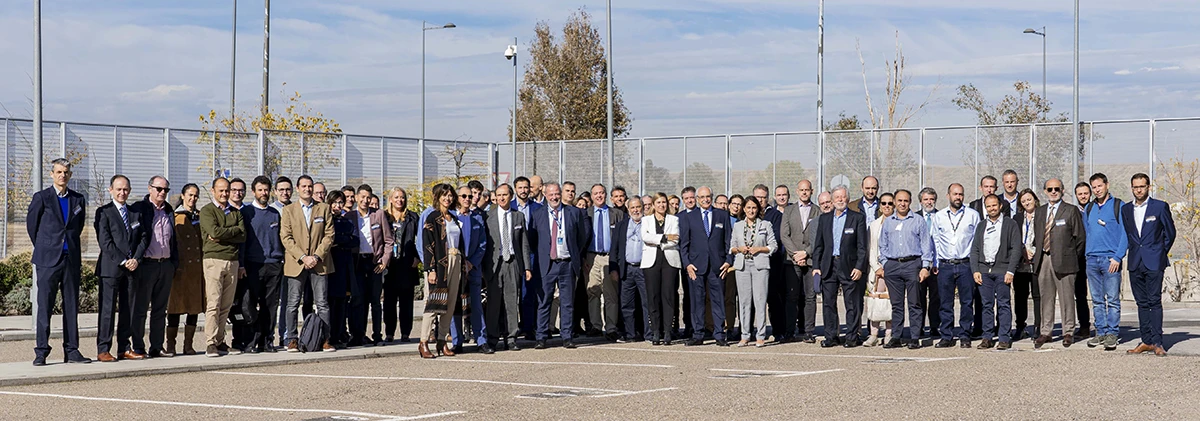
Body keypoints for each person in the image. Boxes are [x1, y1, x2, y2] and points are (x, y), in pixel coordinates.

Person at [28, 159, 92, 366]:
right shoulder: (42, 198)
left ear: (70, 175)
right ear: (52, 174)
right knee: (44, 306)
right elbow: (32, 227)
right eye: (58, 172)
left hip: (70, 259)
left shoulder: (78, 199)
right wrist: (47, 246)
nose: (62, 175)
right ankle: (41, 351)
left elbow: (78, 227)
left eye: (65, 172)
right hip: (48, 260)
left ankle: (72, 350)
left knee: (72, 306)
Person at [94, 175, 149, 362]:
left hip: (132, 269)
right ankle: (103, 349)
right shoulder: (104, 212)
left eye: (125, 189)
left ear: (130, 191)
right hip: (111, 270)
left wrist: (136, 259)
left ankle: (124, 348)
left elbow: (143, 238)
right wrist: (123, 260)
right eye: (118, 189)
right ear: (111, 190)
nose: (122, 192)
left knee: (129, 310)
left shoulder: (135, 213)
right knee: (107, 311)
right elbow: (105, 242)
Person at [280, 175, 335, 353]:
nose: (307, 189)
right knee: (292, 303)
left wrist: (316, 256)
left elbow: (329, 236)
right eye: (303, 186)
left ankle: (325, 339)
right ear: (297, 189)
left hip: (319, 263)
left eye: (310, 186)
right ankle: (292, 339)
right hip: (296, 263)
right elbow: (286, 237)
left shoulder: (324, 208)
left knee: (322, 303)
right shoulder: (289, 210)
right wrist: (303, 257)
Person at [1122, 173, 1175, 356]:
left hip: (1154, 261)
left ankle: (1157, 342)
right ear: (1132, 188)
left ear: (1148, 187)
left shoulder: (1159, 207)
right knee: (1141, 303)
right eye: (1135, 187)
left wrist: (1160, 252)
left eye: (1142, 186)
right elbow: (1130, 234)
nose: (1138, 190)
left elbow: (1170, 233)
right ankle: (1146, 341)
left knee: (1154, 302)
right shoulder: (1126, 209)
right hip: (1135, 261)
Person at [530, 183, 588, 349]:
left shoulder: (573, 212)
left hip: (567, 263)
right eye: (551, 194)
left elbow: (581, 238)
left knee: (567, 302)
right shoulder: (538, 214)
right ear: (545, 195)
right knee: (544, 301)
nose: (554, 197)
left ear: (561, 194)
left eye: (557, 194)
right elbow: (533, 240)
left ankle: (567, 336)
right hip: (547, 264)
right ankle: (541, 337)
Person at [811, 186, 869, 347]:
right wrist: (816, 266)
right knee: (828, 303)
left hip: (849, 266)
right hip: (828, 266)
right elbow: (819, 246)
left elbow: (862, 246)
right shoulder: (825, 219)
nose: (840, 200)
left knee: (851, 303)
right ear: (832, 199)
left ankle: (851, 337)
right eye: (837, 197)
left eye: (843, 197)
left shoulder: (857, 218)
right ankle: (831, 336)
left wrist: (859, 267)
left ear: (848, 199)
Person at [1033, 178, 1086, 349]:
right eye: (1050, 189)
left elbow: (1080, 238)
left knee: (1067, 299)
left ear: (1063, 190)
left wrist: (1071, 257)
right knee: (1046, 298)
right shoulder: (1040, 212)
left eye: (1057, 188)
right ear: (1045, 191)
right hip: (1044, 259)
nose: (1053, 191)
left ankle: (1068, 331)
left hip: (1066, 261)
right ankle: (1046, 332)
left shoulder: (1070, 211)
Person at [234, 175, 285, 354]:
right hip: (252, 265)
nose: (263, 193)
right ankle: (251, 341)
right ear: (254, 191)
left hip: (274, 265)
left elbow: (281, 239)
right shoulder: (246, 213)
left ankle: (267, 341)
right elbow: (242, 242)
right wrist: (241, 264)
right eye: (260, 190)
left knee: (270, 306)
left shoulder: (274, 213)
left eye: (266, 190)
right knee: (249, 305)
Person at [878, 189, 933, 349]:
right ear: (895, 202)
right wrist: (885, 263)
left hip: (912, 264)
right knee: (896, 304)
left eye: (906, 201)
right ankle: (896, 335)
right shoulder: (888, 222)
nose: (902, 204)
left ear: (910, 202)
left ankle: (915, 337)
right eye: (899, 200)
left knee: (914, 303)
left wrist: (925, 267)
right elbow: (883, 244)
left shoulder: (918, 220)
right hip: (893, 266)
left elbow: (925, 245)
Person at [130, 176, 177, 358]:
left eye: (165, 189)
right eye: (159, 189)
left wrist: (174, 263)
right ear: (150, 188)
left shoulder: (168, 210)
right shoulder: (140, 209)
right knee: (140, 308)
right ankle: (138, 346)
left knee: (160, 309)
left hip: (165, 265)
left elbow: (174, 240)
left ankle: (157, 346)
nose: (162, 193)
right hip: (147, 265)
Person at [199, 177, 247, 357]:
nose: (225, 194)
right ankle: (210, 342)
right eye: (221, 190)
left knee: (226, 304)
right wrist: (231, 231)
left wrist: (225, 234)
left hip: (232, 261)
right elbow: (213, 232)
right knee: (214, 303)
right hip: (214, 261)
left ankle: (220, 341)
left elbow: (242, 235)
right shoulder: (207, 211)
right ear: (213, 191)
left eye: (227, 190)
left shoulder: (236, 212)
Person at [418, 184, 467, 358]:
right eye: (444, 195)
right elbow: (427, 245)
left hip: (456, 260)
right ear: (437, 197)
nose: (447, 198)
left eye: (450, 195)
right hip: (440, 264)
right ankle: (423, 341)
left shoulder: (453, 218)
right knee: (433, 303)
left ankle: (442, 340)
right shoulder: (431, 218)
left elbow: (459, 242)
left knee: (450, 303)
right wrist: (430, 269)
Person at [679, 186, 732, 347]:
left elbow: (729, 241)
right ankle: (698, 334)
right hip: (696, 267)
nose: (705, 200)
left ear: (712, 197)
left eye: (708, 196)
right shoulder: (690, 217)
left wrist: (729, 260)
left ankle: (719, 334)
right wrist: (687, 264)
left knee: (718, 301)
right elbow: (684, 244)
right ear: (697, 199)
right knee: (697, 301)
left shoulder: (722, 215)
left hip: (718, 266)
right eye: (701, 197)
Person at [929, 184, 980, 348]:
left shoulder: (972, 215)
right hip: (945, 265)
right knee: (945, 303)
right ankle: (947, 335)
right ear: (948, 195)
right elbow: (935, 240)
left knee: (966, 302)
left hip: (965, 264)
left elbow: (976, 241)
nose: (958, 197)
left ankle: (965, 334)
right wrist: (935, 262)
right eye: (955, 194)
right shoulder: (940, 216)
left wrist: (975, 264)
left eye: (961, 194)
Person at [970, 195, 1022, 350]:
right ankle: (987, 337)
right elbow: (975, 249)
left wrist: (1010, 271)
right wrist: (976, 270)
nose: (992, 208)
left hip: (1002, 271)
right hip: (984, 271)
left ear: (1000, 206)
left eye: (994, 205)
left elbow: (1016, 248)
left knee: (1003, 304)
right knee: (986, 305)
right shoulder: (981, 225)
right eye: (988, 206)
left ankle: (1004, 337)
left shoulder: (1010, 224)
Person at [1080, 173, 1126, 350]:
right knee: (1097, 299)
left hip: (1110, 260)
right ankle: (1100, 332)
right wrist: (1087, 255)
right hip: (1092, 260)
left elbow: (1125, 234)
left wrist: (1117, 257)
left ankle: (1112, 334)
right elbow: (1088, 232)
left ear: (1107, 185)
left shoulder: (1118, 205)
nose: (1097, 190)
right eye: (1094, 187)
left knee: (1113, 299)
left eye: (1100, 186)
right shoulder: (1089, 208)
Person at [485, 184, 531, 350]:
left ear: (511, 196)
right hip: (495, 264)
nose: (502, 198)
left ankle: (511, 338)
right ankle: (492, 338)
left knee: (511, 302)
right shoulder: (488, 216)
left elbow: (524, 243)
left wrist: (527, 267)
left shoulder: (518, 216)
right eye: (499, 195)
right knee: (494, 303)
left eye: (505, 195)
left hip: (512, 262)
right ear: (495, 197)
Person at [349, 184, 393, 347]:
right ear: (356, 198)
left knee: (375, 300)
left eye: (368, 197)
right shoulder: (350, 216)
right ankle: (358, 334)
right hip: (358, 263)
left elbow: (389, 240)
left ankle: (377, 334)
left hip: (374, 262)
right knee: (358, 300)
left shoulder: (378, 215)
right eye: (362, 197)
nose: (365, 200)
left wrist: (384, 260)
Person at [730, 197, 776, 347]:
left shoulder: (765, 225)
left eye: (754, 208)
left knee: (760, 300)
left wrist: (759, 249)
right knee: (744, 302)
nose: (751, 210)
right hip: (742, 265)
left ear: (758, 209)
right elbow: (732, 247)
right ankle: (745, 335)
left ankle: (761, 335)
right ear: (744, 209)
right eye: (748, 207)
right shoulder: (737, 226)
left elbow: (773, 245)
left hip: (760, 265)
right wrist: (739, 249)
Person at [167, 183, 205, 356]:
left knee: (193, 308)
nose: (193, 198)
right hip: (179, 269)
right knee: (174, 308)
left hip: (196, 269)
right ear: (182, 196)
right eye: (190, 195)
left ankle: (188, 344)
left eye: (195, 195)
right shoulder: (175, 216)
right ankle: (171, 345)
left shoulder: (199, 215)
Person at [586, 184, 627, 341]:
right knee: (592, 292)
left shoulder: (616, 214)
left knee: (610, 294)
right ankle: (596, 326)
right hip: (591, 257)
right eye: (596, 193)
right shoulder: (586, 214)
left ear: (606, 195)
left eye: (601, 193)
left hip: (610, 257)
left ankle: (611, 327)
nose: (599, 196)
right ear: (592, 196)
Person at [780, 180, 819, 344]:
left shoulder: (817, 211)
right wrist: (796, 254)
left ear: (811, 191)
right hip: (792, 260)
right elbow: (784, 235)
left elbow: (818, 236)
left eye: (807, 190)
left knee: (810, 297)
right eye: (801, 190)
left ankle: (809, 331)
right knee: (792, 296)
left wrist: (806, 253)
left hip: (810, 260)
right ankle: (789, 331)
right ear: (797, 191)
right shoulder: (789, 211)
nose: (804, 193)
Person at [641, 193, 681, 345]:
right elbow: (645, 237)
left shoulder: (674, 219)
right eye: (658, 202)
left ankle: (668, 331)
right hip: (651, 262)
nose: (661, 205)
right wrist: (664, 238)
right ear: (653, 204)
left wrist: (657, 239)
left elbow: (676, 238)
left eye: (664, 202)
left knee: (668, 296)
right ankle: (656, 331)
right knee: (653, 296)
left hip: (669, 261)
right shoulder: (646, 220)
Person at [453, 185, 488, 353]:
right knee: (455, 306)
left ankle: (481, 340)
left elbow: (482, 244)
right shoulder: (450, 217)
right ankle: (457, 341)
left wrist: (471, 262)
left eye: (470, 196)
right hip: (454, 269)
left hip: (472, 268)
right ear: (457, 197)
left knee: (476, 305)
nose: (467, 199)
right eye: (464, 196)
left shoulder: (477, 218)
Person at [610, 194, 649, 342]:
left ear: (643, 208)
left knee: (646, 303)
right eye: (632, 207)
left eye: (638, 207)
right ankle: (630, 333)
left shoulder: (648, 224)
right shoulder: (621, 225)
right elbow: (614, 248)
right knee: (626, 304)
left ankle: (648, 333)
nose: (635, 210)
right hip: (626, 269)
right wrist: (613, 269)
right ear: (628, 208)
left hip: (644, 268)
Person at [384, 188, 420, 343]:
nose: (400, 200)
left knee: (406, 302)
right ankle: (390, 333)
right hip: (390, 265)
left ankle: (406, 333)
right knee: (389, 302)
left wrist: (418, 258)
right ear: (391, 199)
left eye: (403, 197)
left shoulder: (412, 217)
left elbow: (422, 239)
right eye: (397, 197)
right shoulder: (384, 217)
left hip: (407, 264)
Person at [511, 176, 543, 340]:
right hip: (512, 255)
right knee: (511, 293)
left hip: (531, 253)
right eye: (520, 187)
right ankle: (511, 327)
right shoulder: (508, 207)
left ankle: (528, 327)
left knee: (528, 292)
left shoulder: (538, 208)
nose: (523, 191)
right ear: (515, 189)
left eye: (526, 187)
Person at [325, 191, 357, 348]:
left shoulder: (346, 221)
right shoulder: (326, 220)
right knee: (330, 302)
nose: (337, 206)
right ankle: (329, 336)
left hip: (344, 266)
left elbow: (354, 240)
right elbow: (330, 239)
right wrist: (342, 239)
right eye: (335, 202)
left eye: (340, 203)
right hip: (331, 265)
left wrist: (342, 240)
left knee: (342, 302)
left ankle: (339, 334)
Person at [864, 192, 895, 347]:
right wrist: (876, 267)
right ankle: (873, 334)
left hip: (894, 269)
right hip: (876, 269)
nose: (887, 206)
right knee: (875, 299)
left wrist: (890, 267)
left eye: (890, 203)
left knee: (890, 301)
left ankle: (889, 334)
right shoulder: (874, 225)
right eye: (884, 203)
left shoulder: (898, 223)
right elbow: (870, 249)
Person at [1012, 189, 1044, 341]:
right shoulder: (1017, 218)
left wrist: (1035, 252)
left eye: (1029, 199)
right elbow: (1014, 237)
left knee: (1038, 296)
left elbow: (1046, 237)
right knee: (1020, 296)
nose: (1027, 203)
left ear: (1035, 199)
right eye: (1023, 201)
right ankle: (1020, 326)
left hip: (1038, 261)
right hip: (1021, 262)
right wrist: (1023, 251)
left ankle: (1038, 326)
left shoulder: (1043, 215)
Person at [915, 187, 942, 339]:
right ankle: (918, 327)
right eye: (926, 199)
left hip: (936, 265)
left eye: (931, 199)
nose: (929, 202)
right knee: (918, 297)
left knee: (936, 297)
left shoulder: (941, 216)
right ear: (920, 201)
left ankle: (934, 326)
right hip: (919, 264)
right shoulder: (915, 217)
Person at [272, 176, 295, 345]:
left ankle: (286, 336)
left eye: (287, 189)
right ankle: (268, 337)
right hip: (274, 261)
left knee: (288, 301)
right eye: (281, 190)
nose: (285, 193)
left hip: (292, 261)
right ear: (275, 192)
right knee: (272, 302)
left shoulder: (297, 209)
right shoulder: (272, 210)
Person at [1073, 181, 1094, 339]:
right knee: (1080, 294)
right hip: (1079, 258)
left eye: (1085, 193)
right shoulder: (1073, 212)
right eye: (1080, 194)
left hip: (1095, 256)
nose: (1083, 196)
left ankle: (1104, 327)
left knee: (1099, 294)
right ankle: (1084, 326)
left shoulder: (1095, 209)